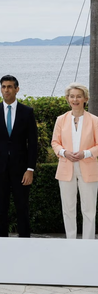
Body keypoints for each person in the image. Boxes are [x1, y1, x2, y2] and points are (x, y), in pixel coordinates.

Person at [0, 75, 38, 237]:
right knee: (0, 209)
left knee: (22, 208)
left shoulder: (27, 112)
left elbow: (33, 143)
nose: (6, 90)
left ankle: (25, 242)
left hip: (21, 169)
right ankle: (1, 243)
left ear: (17, 89)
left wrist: (30, 169)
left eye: (9, 87)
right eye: (3, 87)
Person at [51, 82, 98, 239]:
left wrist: (85, 153)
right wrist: (64, 152)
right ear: (67, 99)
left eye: (78, 96)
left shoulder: (94, 120)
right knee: (68, 209)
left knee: (89, 210)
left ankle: (88, 243)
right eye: (72, 96)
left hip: (89, 169)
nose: (75, 99)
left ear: (85, 98)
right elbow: (55, 143)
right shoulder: (61, 120)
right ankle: (70, 242)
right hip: (66, 169)